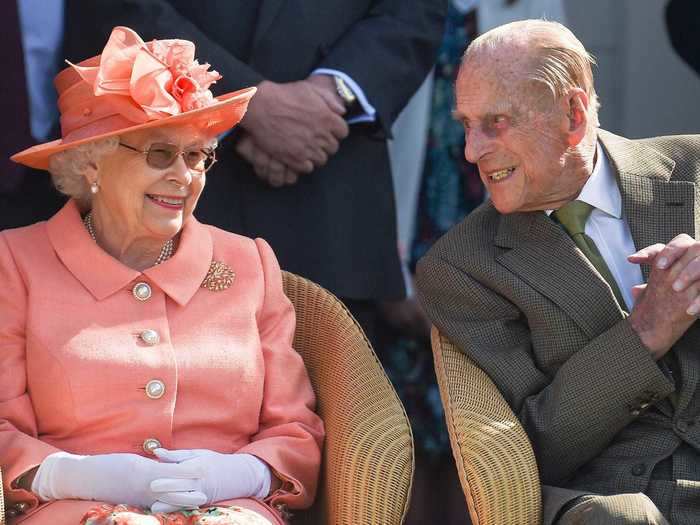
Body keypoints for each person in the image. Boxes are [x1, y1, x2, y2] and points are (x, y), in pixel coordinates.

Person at [0, 26, 324, 525]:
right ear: (92, 164)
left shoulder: (249, 263)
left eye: (197, 156)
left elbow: (295, 429)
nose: (185, 175)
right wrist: (68, 475)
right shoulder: (15, 263)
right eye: (159, 154)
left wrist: (241, 476)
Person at [416, 19, 700, 525]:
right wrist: (647, 331)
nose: (471, 151)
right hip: (618, 498)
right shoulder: (461, 267)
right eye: (465, 123)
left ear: (571, 113)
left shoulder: (693, 169)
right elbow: (528, 448)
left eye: (495, 122)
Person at [60, 0, 448, 343]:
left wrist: (331, 98)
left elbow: (412, 11)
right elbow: (120, 9)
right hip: (161, 202)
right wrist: (246, 106)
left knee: (335, 420)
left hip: (329, 212)